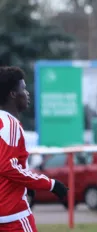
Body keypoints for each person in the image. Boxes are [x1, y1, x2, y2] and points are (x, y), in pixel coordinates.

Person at [0, 66, 68, 232]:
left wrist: (26, 184)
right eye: (23, 88)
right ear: (13, 94)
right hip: (13, 217)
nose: (27, 93)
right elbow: (8, 166)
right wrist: (50, 184)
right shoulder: (10, 125)